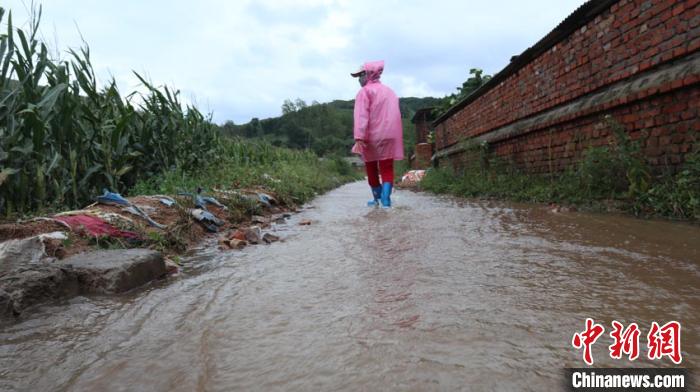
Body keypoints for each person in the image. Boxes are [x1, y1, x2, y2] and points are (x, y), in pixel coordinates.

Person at [350, 60, 403, 208]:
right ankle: (386, 199)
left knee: (371, 167)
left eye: (360, 75)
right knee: (387, 168)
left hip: (371, 137)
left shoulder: (364, 92)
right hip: (390, 136)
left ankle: (377, 198)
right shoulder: (390, 91)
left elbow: (361, 116)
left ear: (367, 74)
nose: (359, 79)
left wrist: (359, 137)